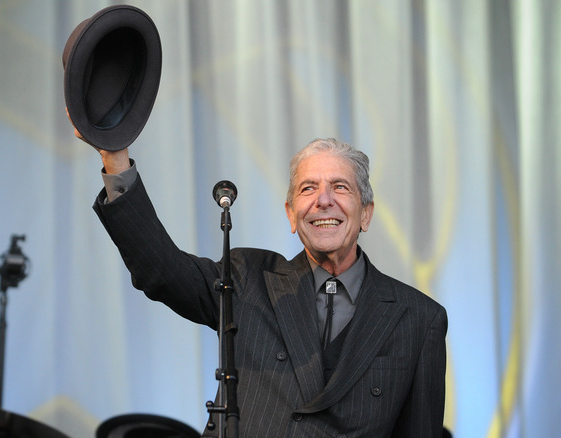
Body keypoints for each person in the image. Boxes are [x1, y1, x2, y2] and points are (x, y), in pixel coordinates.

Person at [88, 136, 448, 437]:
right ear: (292, 214)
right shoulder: (246, 279)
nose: (324, 200)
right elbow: (161, 270)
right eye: (309, 188)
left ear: (366, 213)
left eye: (340, 187)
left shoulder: (418, 318)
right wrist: (115, 158)